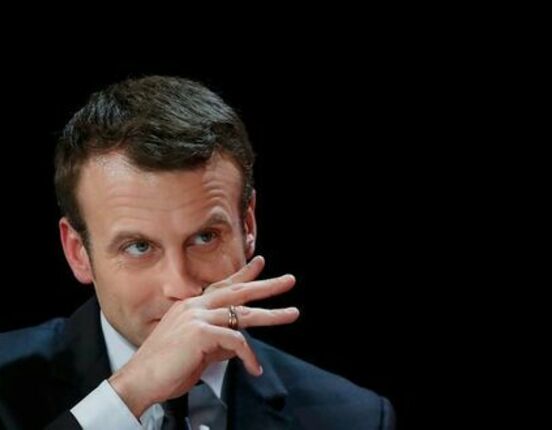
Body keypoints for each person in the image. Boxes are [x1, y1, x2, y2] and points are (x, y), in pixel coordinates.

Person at [0, 76, 395, 429]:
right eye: (139, 247)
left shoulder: (353, 419)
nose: (181, 287)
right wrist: (129, 394)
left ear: (248, 226)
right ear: (78, 252)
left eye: (205, 237)